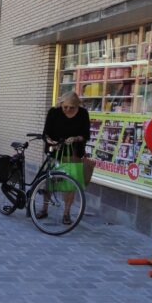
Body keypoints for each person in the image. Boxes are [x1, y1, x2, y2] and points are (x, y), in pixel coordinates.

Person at [40, 91, 91, 225]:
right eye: (65, 107)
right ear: (61, 104)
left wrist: (75, 138)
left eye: (72, 107)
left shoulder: (83, 114)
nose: (68, 109)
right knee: (49, 182)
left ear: (77, 106)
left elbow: (86, 134)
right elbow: (46, 133)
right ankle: (44, 209)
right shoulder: (54, 112)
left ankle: (66, 213)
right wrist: (51, 142)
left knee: (70, 185)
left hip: (73, 153)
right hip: (55, 152)